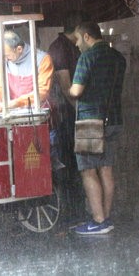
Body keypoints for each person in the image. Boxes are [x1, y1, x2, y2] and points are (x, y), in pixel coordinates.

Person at [69, 21, 126, 235]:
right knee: (106, 169)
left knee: (88, 171)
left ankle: (98, 219)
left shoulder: (87, 57)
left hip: (90, 121)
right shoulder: (118, 58)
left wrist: (68, 87)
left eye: (77, 39)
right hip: (114, 119)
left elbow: (76, 91)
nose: (76, 45)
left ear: (86, 37)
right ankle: (107, 217)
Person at [47, 11, 87, 219]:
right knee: (68, 159)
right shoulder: (61, 48)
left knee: (72, 158)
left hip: (67, 111)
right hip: (64, 113)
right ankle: (72, 208)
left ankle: (75, 204)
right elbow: (64, 85)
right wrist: (78, 108)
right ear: (77, 28)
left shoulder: (66, 46)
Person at [0, 29, 54, 110]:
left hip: (37, 113)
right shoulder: (3, 60)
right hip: (13, 113)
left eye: (7, 55)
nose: (4, 59)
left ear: (19, 49)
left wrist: (16, 103)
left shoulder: (42, 59)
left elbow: (42, 92)